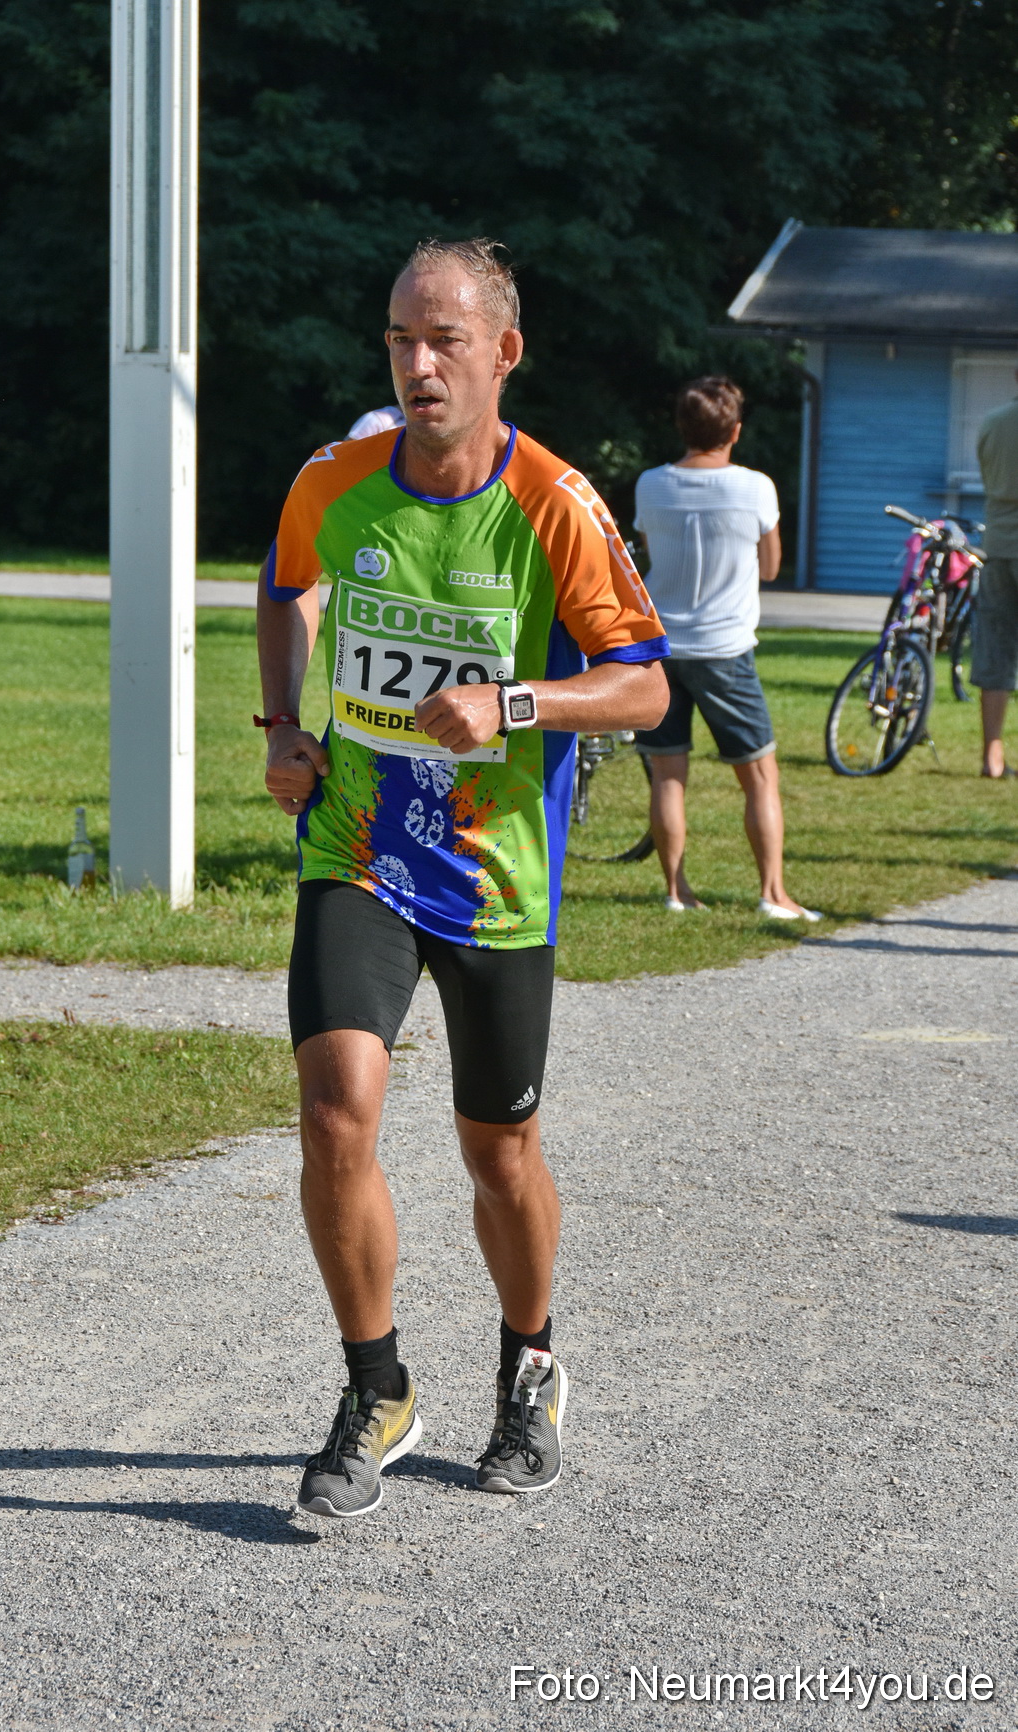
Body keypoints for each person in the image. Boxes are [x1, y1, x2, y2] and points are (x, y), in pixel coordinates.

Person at [256, 236, 669, 1519]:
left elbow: (649, 684)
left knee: (501, 1152)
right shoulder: (335, 480)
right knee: (335, 1115)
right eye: (398, 340)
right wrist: (284, 727)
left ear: (504, 351)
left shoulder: (553, 499)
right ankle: (376, 1386)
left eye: (442, 341)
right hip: (360, 847)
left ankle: (531, 1359)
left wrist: (520, 703)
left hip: (499, 877)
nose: (418, 364)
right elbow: (285, 590)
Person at [633, 376, 820, 922]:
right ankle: (773, 893)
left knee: (669, 774)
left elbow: (652, 551)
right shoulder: (756, 487)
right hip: (725, 648)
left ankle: (675, 889)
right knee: (759, 776)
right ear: (735, 430)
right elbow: (770, 566)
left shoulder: (651, 484)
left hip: (661, 647)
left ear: (681, 427)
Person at [973, 373, 1018, 778]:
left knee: (996, 651)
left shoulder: (992, 422)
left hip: (1000, 545)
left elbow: (988, 477)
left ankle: (992, 755)